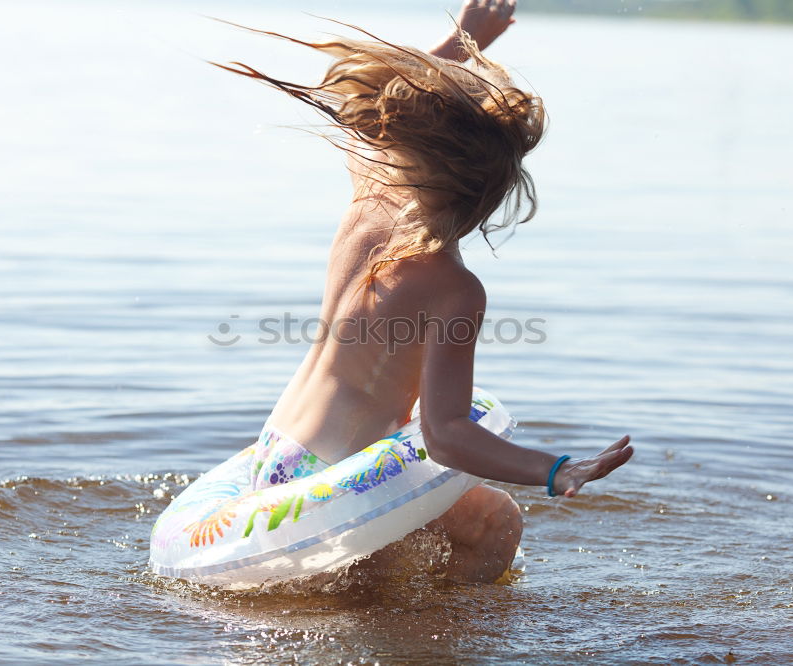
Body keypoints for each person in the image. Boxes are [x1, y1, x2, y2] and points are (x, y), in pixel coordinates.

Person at [216, 0, 633, 583]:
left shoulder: (371, 196)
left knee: (479, 515)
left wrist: (463, 39)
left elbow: (386, 109)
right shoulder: (455, 290)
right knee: (497, 526)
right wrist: (557, 470)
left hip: (279, 450)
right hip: (332, 482)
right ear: (487, 201)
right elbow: (447, 434)